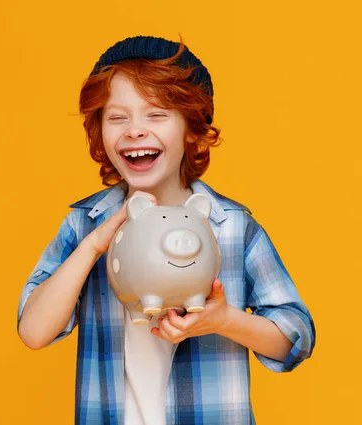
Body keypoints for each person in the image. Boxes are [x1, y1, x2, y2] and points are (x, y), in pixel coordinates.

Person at [16, 35, 315, 425]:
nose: (135, 130)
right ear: (99, 132)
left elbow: (296, 338)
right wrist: (92, 247)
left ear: (192, 129)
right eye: (117, 116)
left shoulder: (233, 227)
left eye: (156, 114)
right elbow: (34, 331)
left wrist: (224, 320)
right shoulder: (85, 224)